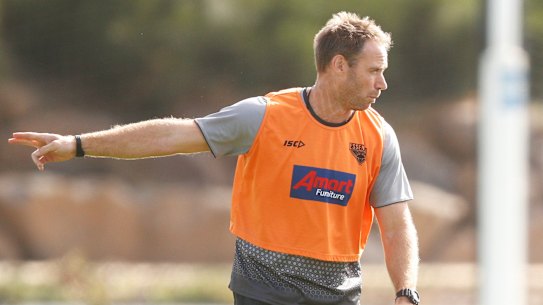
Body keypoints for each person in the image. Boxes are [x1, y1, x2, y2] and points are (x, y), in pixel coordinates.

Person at [9, 11, 420, 305]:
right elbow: (171, 134)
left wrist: (406, 291)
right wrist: (78, 144)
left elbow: (397, 225)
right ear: (338, 66)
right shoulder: (263, 116)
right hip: (264, 287)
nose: (382, 83)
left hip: (338, 293)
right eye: (373, 71)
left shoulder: (379, 136)